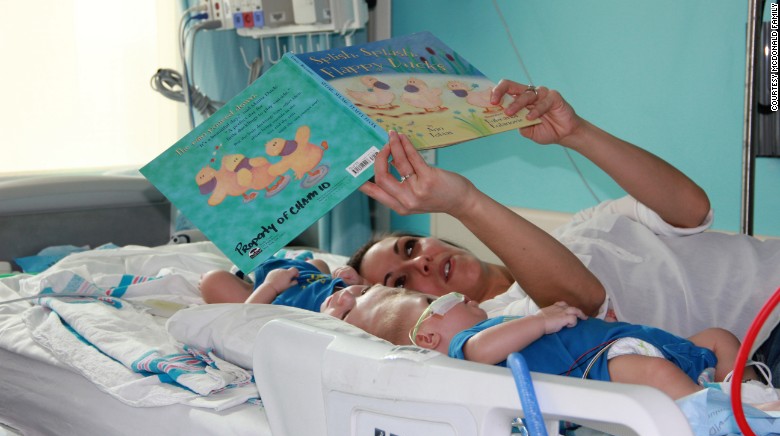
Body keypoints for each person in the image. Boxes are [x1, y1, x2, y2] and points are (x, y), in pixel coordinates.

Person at [352, 80, 780, 383]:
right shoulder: (514, 331)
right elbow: (583, 301)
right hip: (762, 349)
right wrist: (464, 201)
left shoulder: (578, 228)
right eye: (403, 281)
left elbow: (692, 208)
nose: (420, 261)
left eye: (410, 246)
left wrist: (577, 133)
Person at [399, 291, 758, 400]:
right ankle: (714, 415)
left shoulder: (505, 324)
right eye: (446, 302)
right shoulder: (467, 345)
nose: (465, 298)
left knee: (719, 337)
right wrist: (540, 320)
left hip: (624, 344)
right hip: (605, 367)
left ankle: (741, 395)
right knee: (654, 372)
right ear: (430, 337)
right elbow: (481, 350)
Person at [199, 253, 370, 316]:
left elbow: (247, 317)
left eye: (346, 314)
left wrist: (270, 287)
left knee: (212, 281)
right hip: (306, 272)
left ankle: (244, 279)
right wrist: (356, 282)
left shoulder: (304, 320)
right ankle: (298, 259)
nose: (347, 297)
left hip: (267, 293)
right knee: (320, 263)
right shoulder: (347, 293)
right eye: (365, 293)